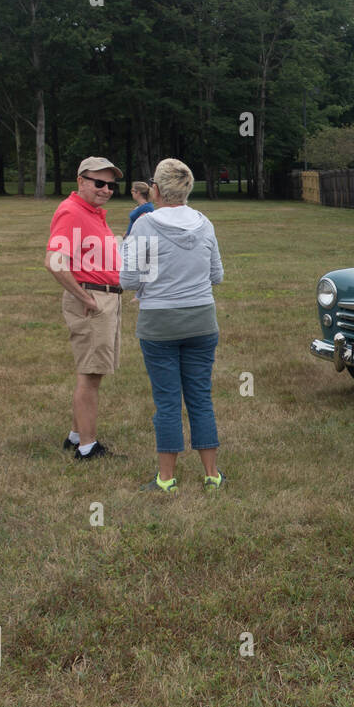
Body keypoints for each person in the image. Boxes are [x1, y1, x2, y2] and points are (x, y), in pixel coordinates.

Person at [120, 158, 224, 494]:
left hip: (159, 323)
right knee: (200, 398)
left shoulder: (145, 225)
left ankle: (166, 479)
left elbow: (129, 279)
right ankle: (212, 475)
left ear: (156, 189)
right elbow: (216, 276)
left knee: (167, 401)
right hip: (202, 320)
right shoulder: (205, 223)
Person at [46, 156, 125, 460]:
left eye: (111, 185)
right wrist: (85, 298)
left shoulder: (91, 211)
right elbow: (54, 262)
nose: (106, 189)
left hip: (106, 297)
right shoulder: (71, 211)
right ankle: (87, 448)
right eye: (99, 183)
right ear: (80, 181)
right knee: (90, 375)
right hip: (93, 301)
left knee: (92, 372)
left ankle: (76, 436)